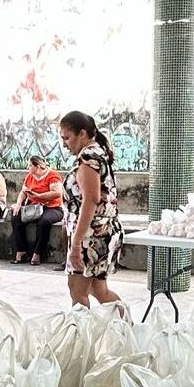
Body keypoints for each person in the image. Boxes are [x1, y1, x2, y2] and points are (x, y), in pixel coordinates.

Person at [59, 111, 123, 308]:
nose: (64, 144)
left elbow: (91, 200)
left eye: (67, 138)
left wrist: (76, 244)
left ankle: (82, 338)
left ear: (83, 134)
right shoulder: (97, 153)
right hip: (101, 231)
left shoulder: (88, 157)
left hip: (91, 236)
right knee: (98, 289)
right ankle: (125, 328)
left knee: (77, 290)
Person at [11, 154, 64, 266]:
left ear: (37, 166)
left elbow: (57, 193)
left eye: (30, 165)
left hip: (52, 208)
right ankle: (21, 251)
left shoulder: (52, 175)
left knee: (44, 222)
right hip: (34, 207)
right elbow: (23, 192)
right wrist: (18, 204)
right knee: (16, 216)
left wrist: (39, 196)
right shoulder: (30, 176)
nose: (28, 168)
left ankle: (37, 253)